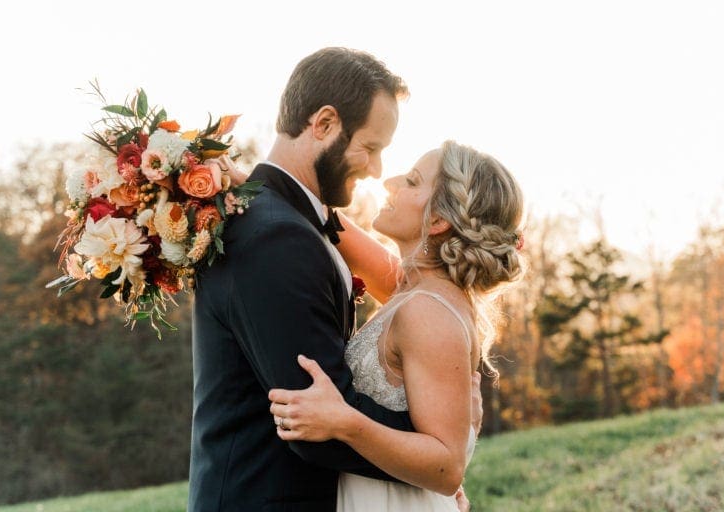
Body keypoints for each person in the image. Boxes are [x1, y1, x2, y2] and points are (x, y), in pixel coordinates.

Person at [188, 47, 418, 511]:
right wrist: (435, 448)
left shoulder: (286, 219)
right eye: (370, 148)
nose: (375, 170)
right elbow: (314, 423)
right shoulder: (277, 238)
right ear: (325, 124)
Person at [268, 140, 525, 511]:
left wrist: (344, 422)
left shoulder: (427, 311)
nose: (390, 182)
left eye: (412, 181)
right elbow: (335, 228)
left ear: (437, 221)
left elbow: (447, 468)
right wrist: (252, 184)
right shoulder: (417, 291)